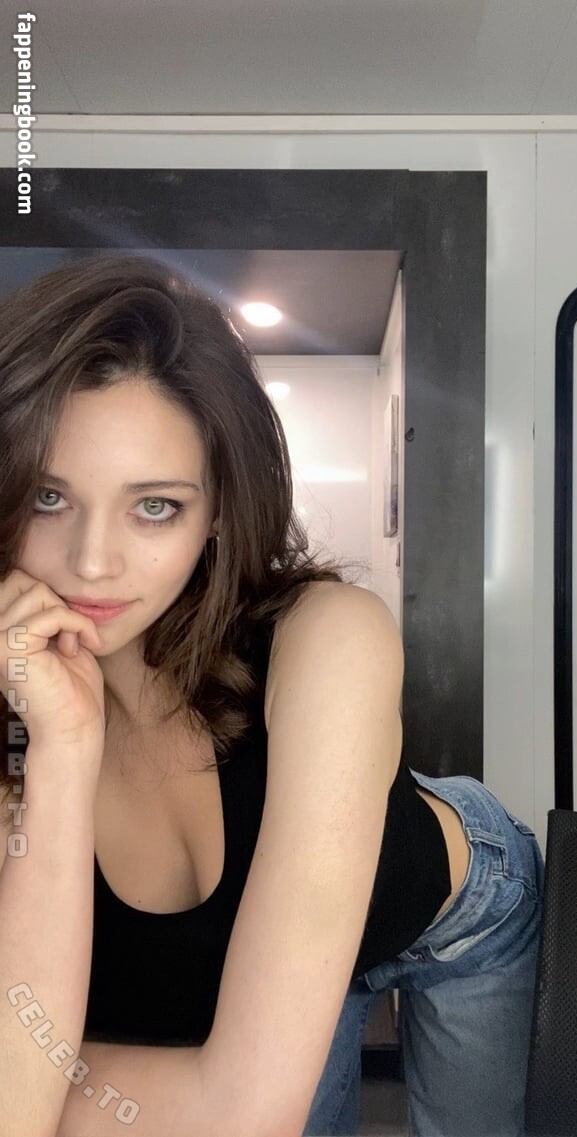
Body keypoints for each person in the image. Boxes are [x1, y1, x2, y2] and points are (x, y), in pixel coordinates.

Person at [0, 253, 544, 1137]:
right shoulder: (17, 696)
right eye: (50, 496)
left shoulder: (331, 637)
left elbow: (228, 1109)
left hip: (449, 919)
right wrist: (59, 748)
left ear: (218, 509)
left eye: (155, 506)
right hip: (263, 956)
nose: (92, 562)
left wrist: (42, 1079)